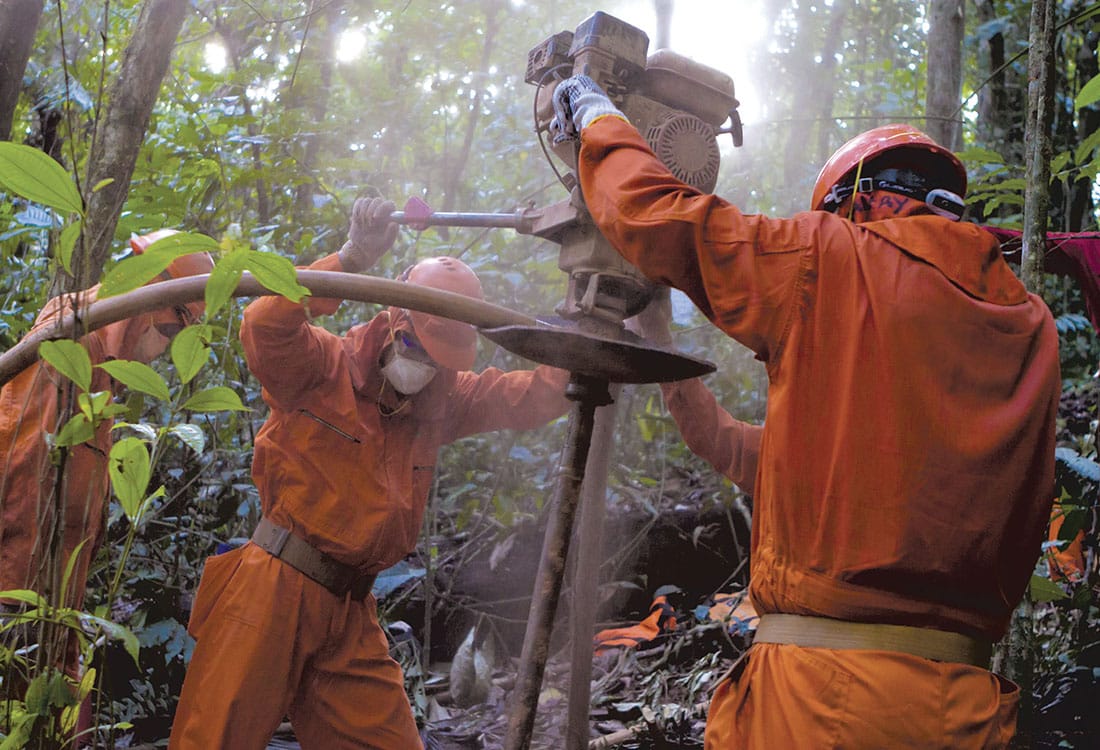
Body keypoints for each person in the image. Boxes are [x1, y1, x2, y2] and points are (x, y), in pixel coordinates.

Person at [552, 76, 1061, 748]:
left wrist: (600, 122)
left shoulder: (831, 255)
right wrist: (662, 342)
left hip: (825, 702)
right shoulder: (1032, 327)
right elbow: (727, 444)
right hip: (966, 708)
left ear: (855, 203)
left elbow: (666, 217)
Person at [169, 197, 571, 749]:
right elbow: (264, 324)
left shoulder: (443, 401)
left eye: (437, 361)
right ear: (392, 319)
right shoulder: (320, 367)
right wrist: (351, 259)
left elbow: (528, 397)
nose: (423, 368)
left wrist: (584, 329)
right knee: (210, 740)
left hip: (351, 611)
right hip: (271, 592)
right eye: (416, 347)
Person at [0, 232, 213, 730]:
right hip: (20, 597)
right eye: (169, 330)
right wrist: (17, 610)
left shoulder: (105, 363)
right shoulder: (72, 337)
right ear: (152, 301)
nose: (165, 349)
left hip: (53, 599)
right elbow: (21, 473)